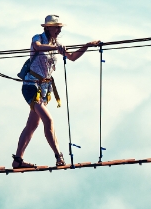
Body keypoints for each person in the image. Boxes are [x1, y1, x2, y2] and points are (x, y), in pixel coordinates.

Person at [12, 15, 100, 168]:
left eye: (59, 27)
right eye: (56, 27)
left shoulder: (57, 44)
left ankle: (18, 160)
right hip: (31, 86)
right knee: (49, 120)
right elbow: (37, 46)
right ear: (47, 27)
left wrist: (86, 45)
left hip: (44, 89)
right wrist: (56, 48)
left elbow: (72, 57)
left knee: (32, 125)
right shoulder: (38, 38)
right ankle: (59, 156)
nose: (59, 30)